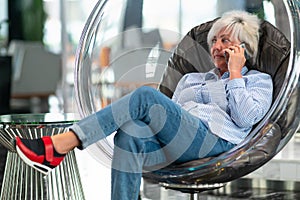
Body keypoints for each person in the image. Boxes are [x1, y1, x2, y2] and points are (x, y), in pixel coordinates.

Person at [15, 10, 273, 200]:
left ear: (243, 47)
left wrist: (236, 74)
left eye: (225, 41)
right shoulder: (192, 79)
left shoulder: (258, 81)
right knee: (130, 132)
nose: (216, 46)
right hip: (183, 142)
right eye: (214, 41)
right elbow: (173, 118)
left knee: (146, 97)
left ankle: (62, 144)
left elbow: (245, 119)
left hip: (218, 143)